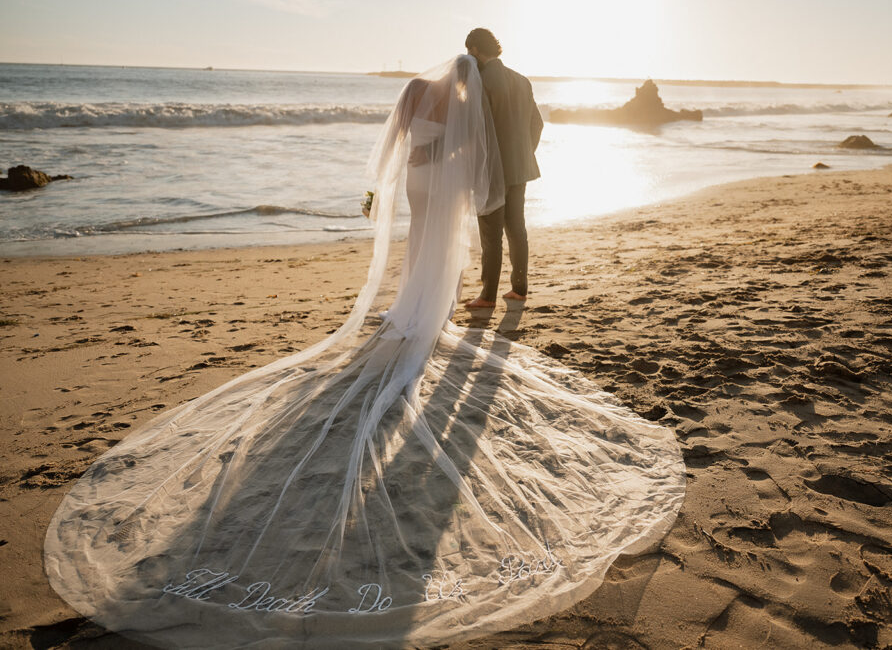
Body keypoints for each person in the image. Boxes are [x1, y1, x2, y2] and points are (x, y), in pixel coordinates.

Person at [44, 56, 685, 649]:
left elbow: (397, 143)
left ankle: (410, 310)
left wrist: (379, 191)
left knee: (417, 247)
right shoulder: (468, 98)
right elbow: (474, 150)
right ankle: (426, 315)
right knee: (440, 250)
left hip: (417, 177)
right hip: (448, 177)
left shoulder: (414, 91)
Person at [464, 28, 544, 309]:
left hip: (492, 171)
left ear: (474, 49)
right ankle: (519, 289)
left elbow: (476, 128)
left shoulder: (481, 81)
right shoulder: (522, 81)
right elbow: (538, 124)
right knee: (516, 229)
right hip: (520, 168)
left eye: (468, 51)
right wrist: (523, 153)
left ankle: (487, 296)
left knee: (491, 234)